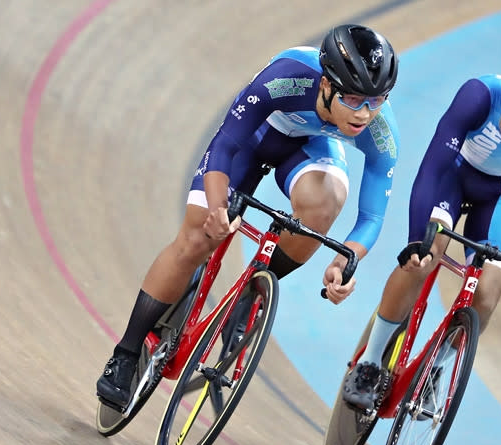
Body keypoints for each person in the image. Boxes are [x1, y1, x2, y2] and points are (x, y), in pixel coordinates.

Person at [97, 24, 400, 408]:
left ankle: (253, 290)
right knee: (196, 238)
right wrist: (218, 210)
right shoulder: (286, 79)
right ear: (326, 84)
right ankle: (125, 354)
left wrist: (346, 261)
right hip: (252, 138)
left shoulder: (381, 130)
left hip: (309, 148)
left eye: (377, 101)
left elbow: (372, 217)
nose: (366, 113)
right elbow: (225, 144)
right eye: (355, 99)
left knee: (327, 199)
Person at [342, 57, 501, 411]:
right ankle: (370, 361)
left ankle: (435, 371)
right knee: (425, 257)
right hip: (453, 177)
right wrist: (415, 241)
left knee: (487, 292)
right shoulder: (480, 96)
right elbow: (433, 167)